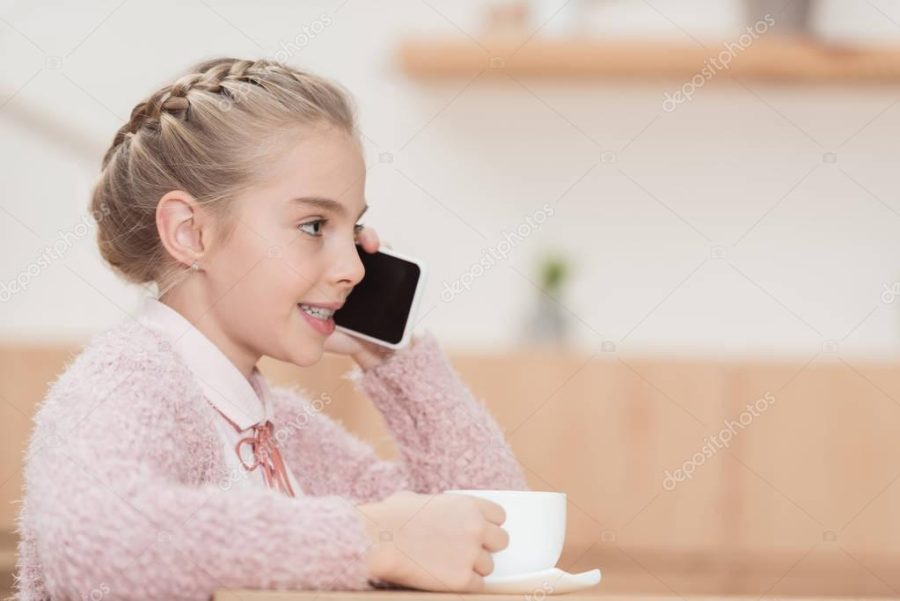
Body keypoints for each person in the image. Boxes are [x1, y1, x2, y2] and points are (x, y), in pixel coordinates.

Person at [12, 57, 527, 601]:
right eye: (313, 226)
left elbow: (491, 530)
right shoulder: (125, 381)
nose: (353, 266)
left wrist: (393, 358)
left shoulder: (280, 425)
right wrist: (371, 536)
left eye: (353, 231)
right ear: (191, 233)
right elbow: (98, 541)